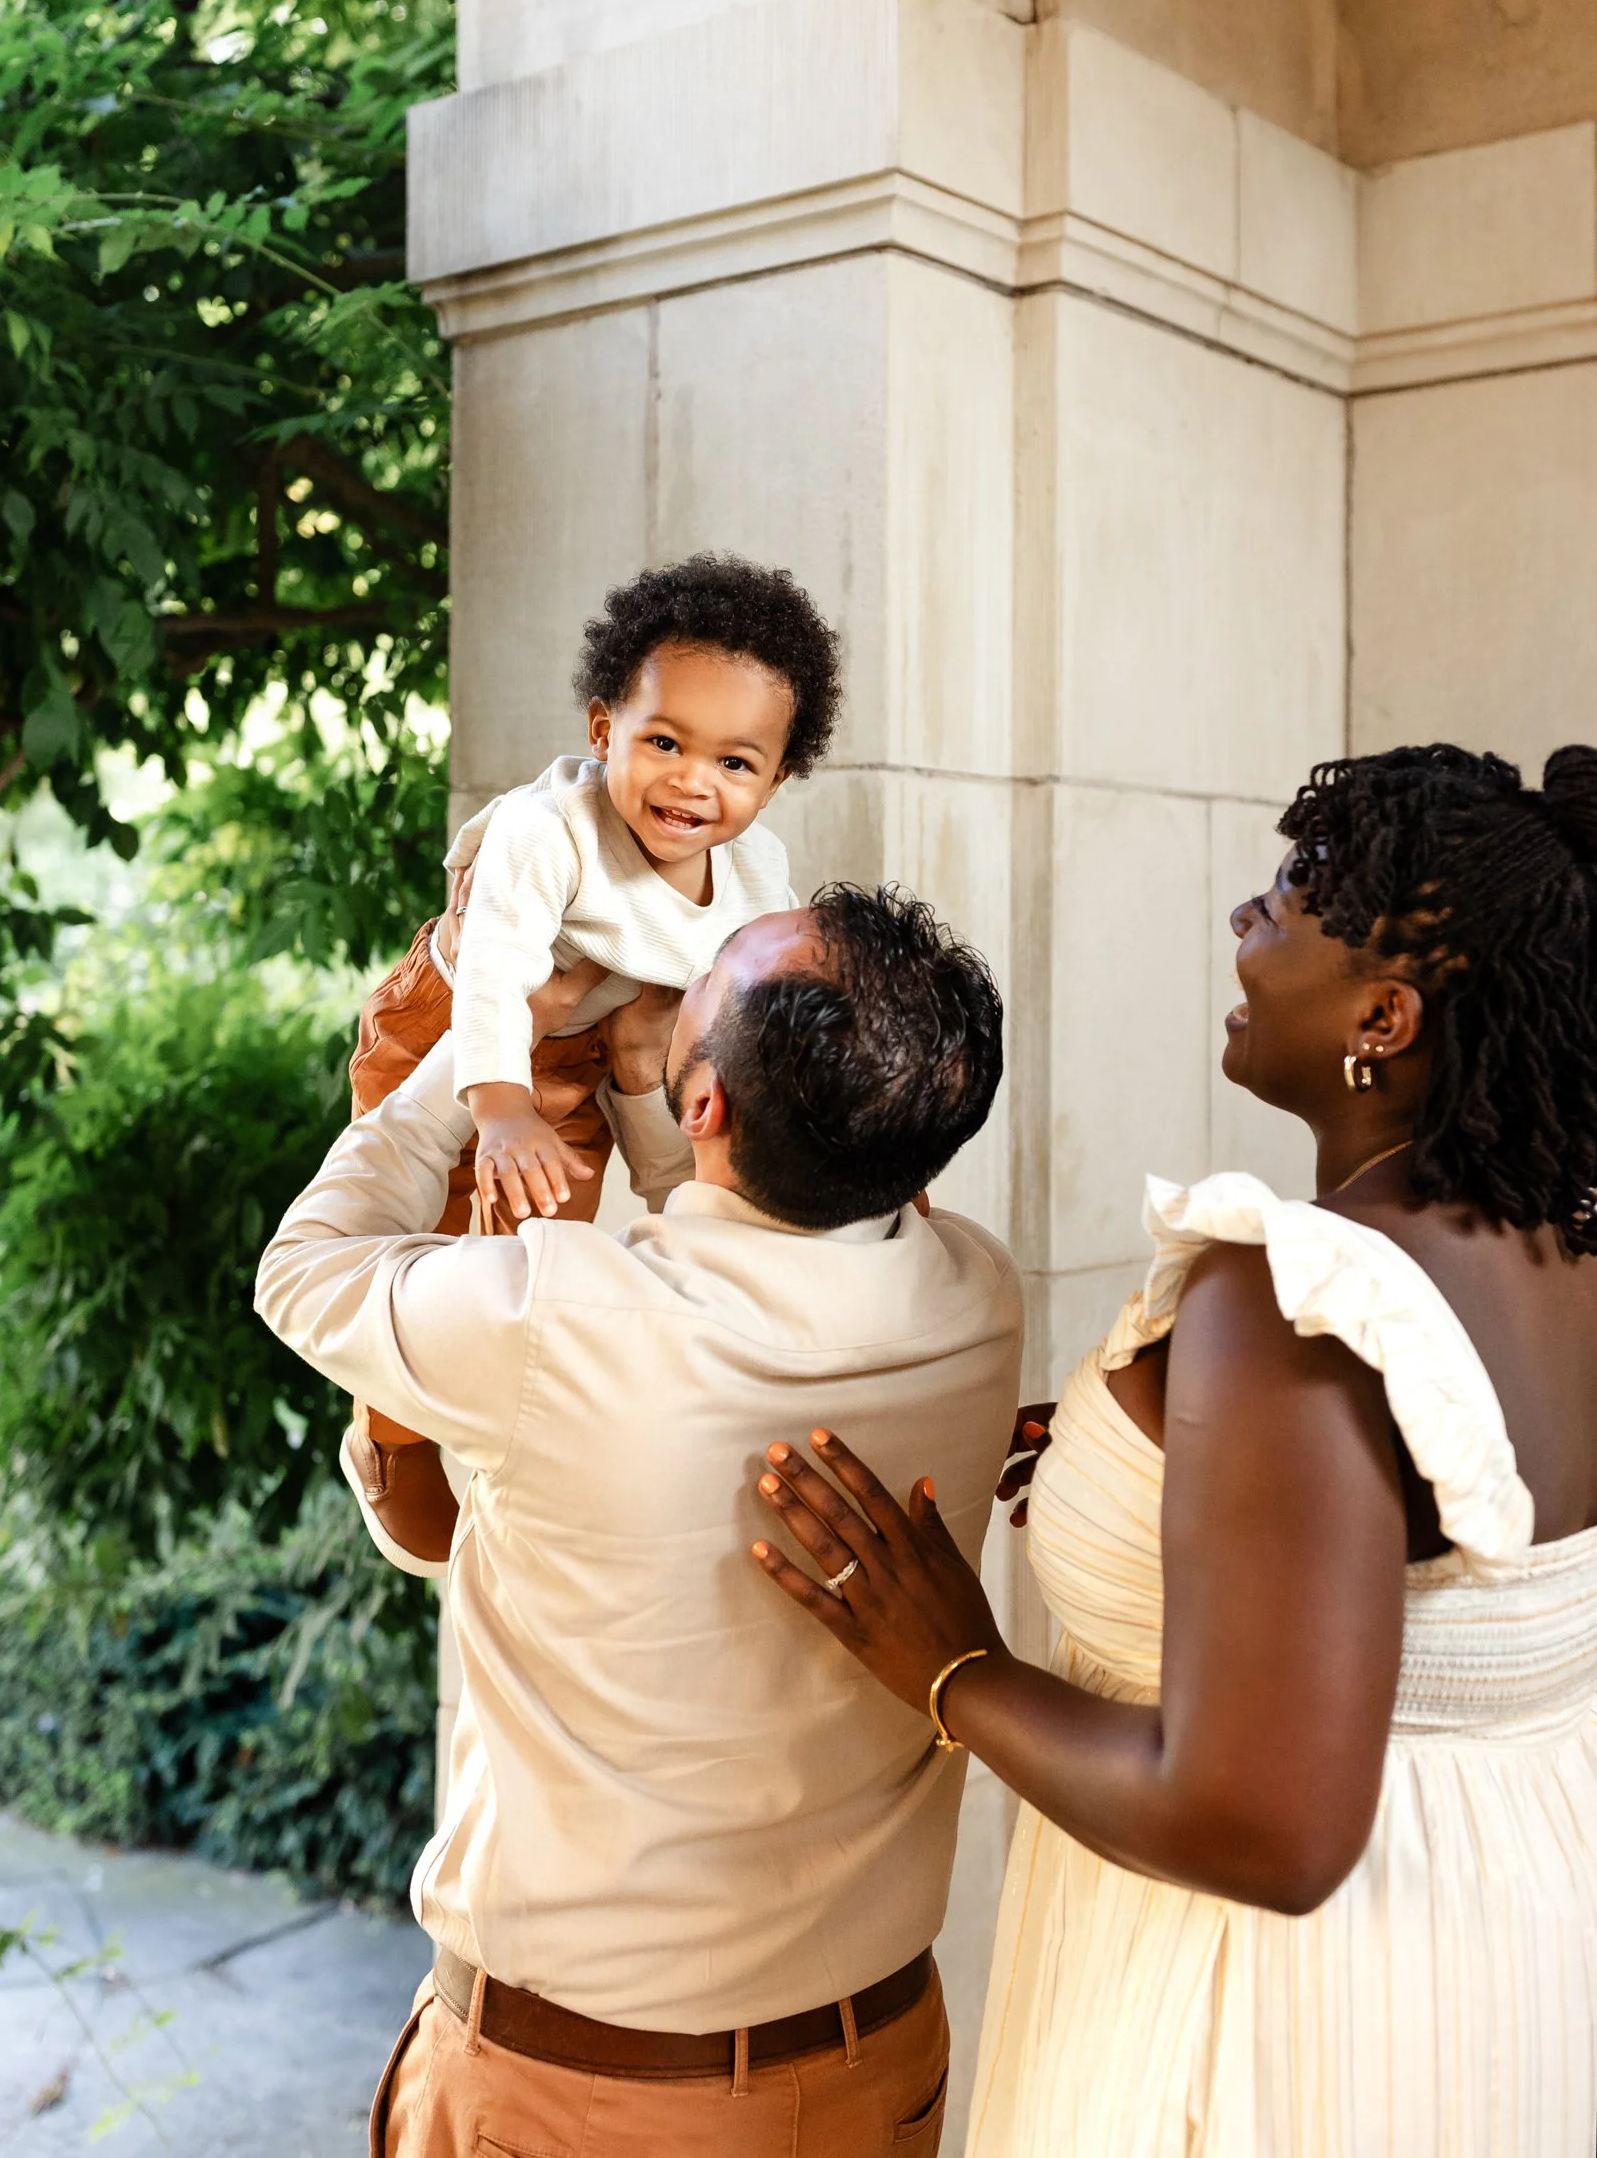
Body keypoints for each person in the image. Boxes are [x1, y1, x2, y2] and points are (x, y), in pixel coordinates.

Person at [752, 743, 1597, 2158]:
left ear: (1382, 1016)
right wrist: (1127, 1461)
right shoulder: (1557, 1248)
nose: (1244, 918)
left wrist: (951, 1668)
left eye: (1293, 892)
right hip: (1495, 1964)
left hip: (1281, 2021)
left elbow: (1263, 1825)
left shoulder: (1289, 1298)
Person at [254, 883, 1023, 2158]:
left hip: (588, 2105)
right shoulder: (977, 1294)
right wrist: (644, 1091)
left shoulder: (554, 1319)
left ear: (706, 1102)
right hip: (876, 2064)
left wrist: (478, 1048)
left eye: (712, 969)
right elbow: (756, 1252)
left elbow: (302, 1270)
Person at [344, 550, 841, 1556]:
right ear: (604, 729)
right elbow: (494, 975)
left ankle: (493, 1434)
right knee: (419, 1227)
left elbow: (770, 1000)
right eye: (663, 742)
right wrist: (497, 1106)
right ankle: (388, 1439)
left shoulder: (756, 871)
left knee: (534, 1253)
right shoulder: (548, 830)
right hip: (456, 1024)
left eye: (735, 763)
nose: (691, 781)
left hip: (583, 1062)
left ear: (779, 777)